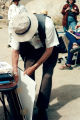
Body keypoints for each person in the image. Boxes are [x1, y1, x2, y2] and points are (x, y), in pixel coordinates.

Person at [8, 4, 59, 120]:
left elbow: (49, 50)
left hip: (49, 48)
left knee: (47, 75)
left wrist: (35, 66)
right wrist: (15, 71)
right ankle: (28, 105)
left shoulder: (47, 24)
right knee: (27, 75)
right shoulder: (16, 26)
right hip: (31, 49)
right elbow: (15, 51)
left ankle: (42, 108)